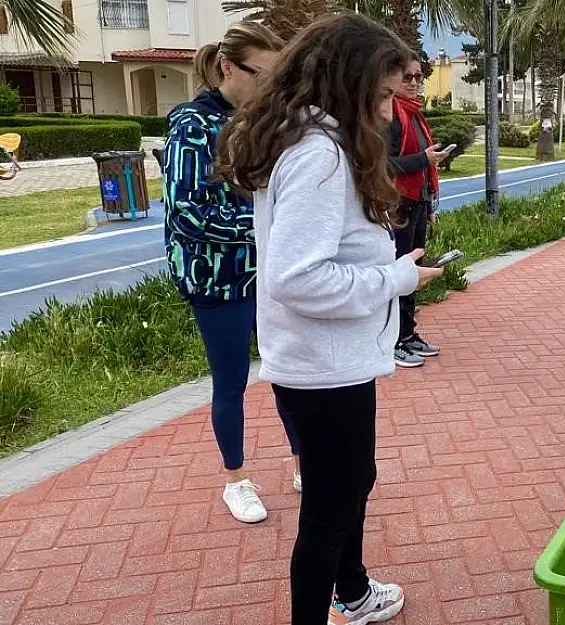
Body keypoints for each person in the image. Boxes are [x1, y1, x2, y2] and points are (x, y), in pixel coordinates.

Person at [214, 12, 442, 625]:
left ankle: (354, 590)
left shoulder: (310, 141)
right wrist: (393, 279)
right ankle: (334, 602)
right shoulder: (319, 155)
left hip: (326, 360)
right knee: (328, 509)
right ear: (349, 82)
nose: (392, 108)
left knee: (347, 486)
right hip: (324, 365)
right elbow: (298, 277)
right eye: (386, 93)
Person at [161, 20, 301, 525]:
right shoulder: (191, 127)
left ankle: (303, 462)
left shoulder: (264, 121)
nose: (268, 88)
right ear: (227, 66)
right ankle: (235, 479)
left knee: (288, 368)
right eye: (259, 75)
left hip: (269, 271)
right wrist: (267, 226)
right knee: (232, 379)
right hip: (217, 277)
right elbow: (187, 214)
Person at [387, 57, 451, 368]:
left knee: (413, 272)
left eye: (418, 76)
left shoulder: (415, 115)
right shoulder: (390, 115)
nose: (414, 82)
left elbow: (424, 165)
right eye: (406, 77)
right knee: (399, 271)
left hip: (417, 202)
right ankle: (394, 340)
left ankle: (408, 333)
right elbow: (383, 165)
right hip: (396, 205)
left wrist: (428, 203)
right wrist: (423, 160)